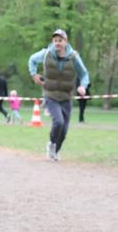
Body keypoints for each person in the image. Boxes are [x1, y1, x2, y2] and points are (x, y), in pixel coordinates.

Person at [28, 29, 90, 161]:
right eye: (55, 40)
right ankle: (51, 144)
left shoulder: (73, 57)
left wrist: (83, 86)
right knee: (58, 122)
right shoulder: (46, 54)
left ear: (65, 42)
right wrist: (34, 74)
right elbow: (32, 60)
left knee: (64, 130)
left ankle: (56, 150)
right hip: (50, 95)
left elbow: (84, 74)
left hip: (66, 97)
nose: (57, 43)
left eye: (60, 40)